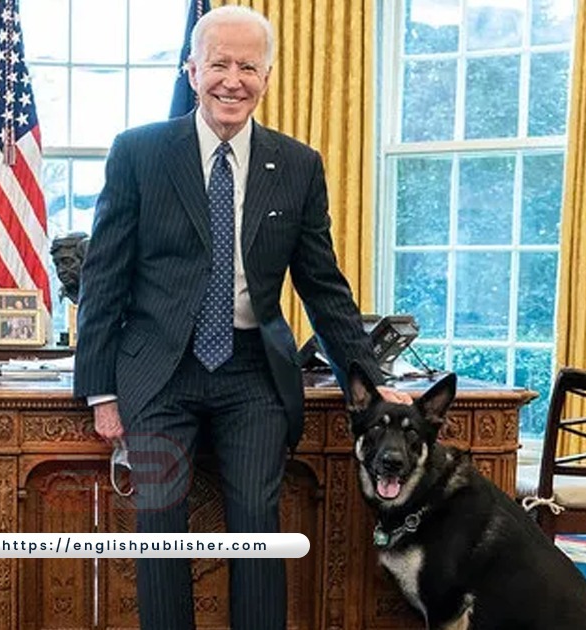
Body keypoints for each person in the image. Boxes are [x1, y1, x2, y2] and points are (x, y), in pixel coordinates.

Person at [72, 6, 412, 629]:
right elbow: (104, 278)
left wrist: (365, 375)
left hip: (253, 373)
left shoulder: (299, 165)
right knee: (160, 519)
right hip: (157, 374)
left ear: (267, 76)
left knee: (257, 521)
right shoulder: (139, 153)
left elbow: (323, 286)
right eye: (220, 64)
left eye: (248, 67)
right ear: (193, 69)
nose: (233, 80)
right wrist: (100, 390)